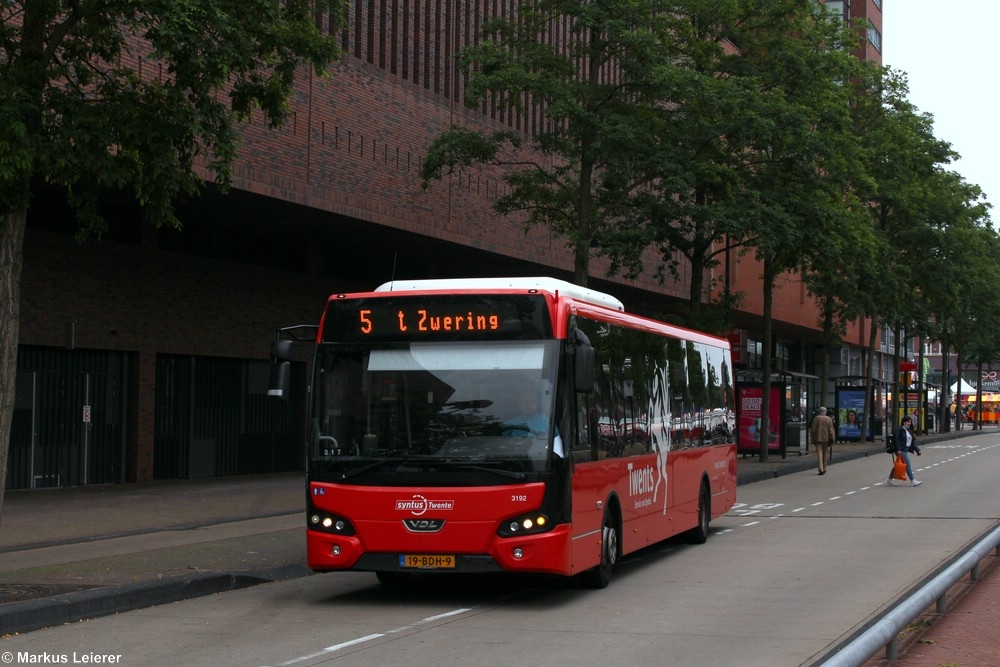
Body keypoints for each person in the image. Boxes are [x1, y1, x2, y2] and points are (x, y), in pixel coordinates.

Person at [887, 415, 922, 486]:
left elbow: (911, 443)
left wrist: (917, 450)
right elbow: (896, 440)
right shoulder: (899, 429)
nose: (910, 423)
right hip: (900, 450)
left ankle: (889, 479)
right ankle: (913, 481)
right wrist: (898, 449)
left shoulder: (909, 431)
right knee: (907, 464)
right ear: (904, 422)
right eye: (908, 422)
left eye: (910, 422)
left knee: (898, 465)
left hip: (905, 449)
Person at [810, 407, 835, 476]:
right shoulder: (828, 419)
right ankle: (824, 468)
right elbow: (831, 430)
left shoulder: (816, 419)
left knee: (819, 453)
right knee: (825, 454)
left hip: (818, 439)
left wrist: (813, 439)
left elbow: (813, 430)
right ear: (825, 412)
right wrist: (832, 438)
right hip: (826, 439)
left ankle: (820, 469)